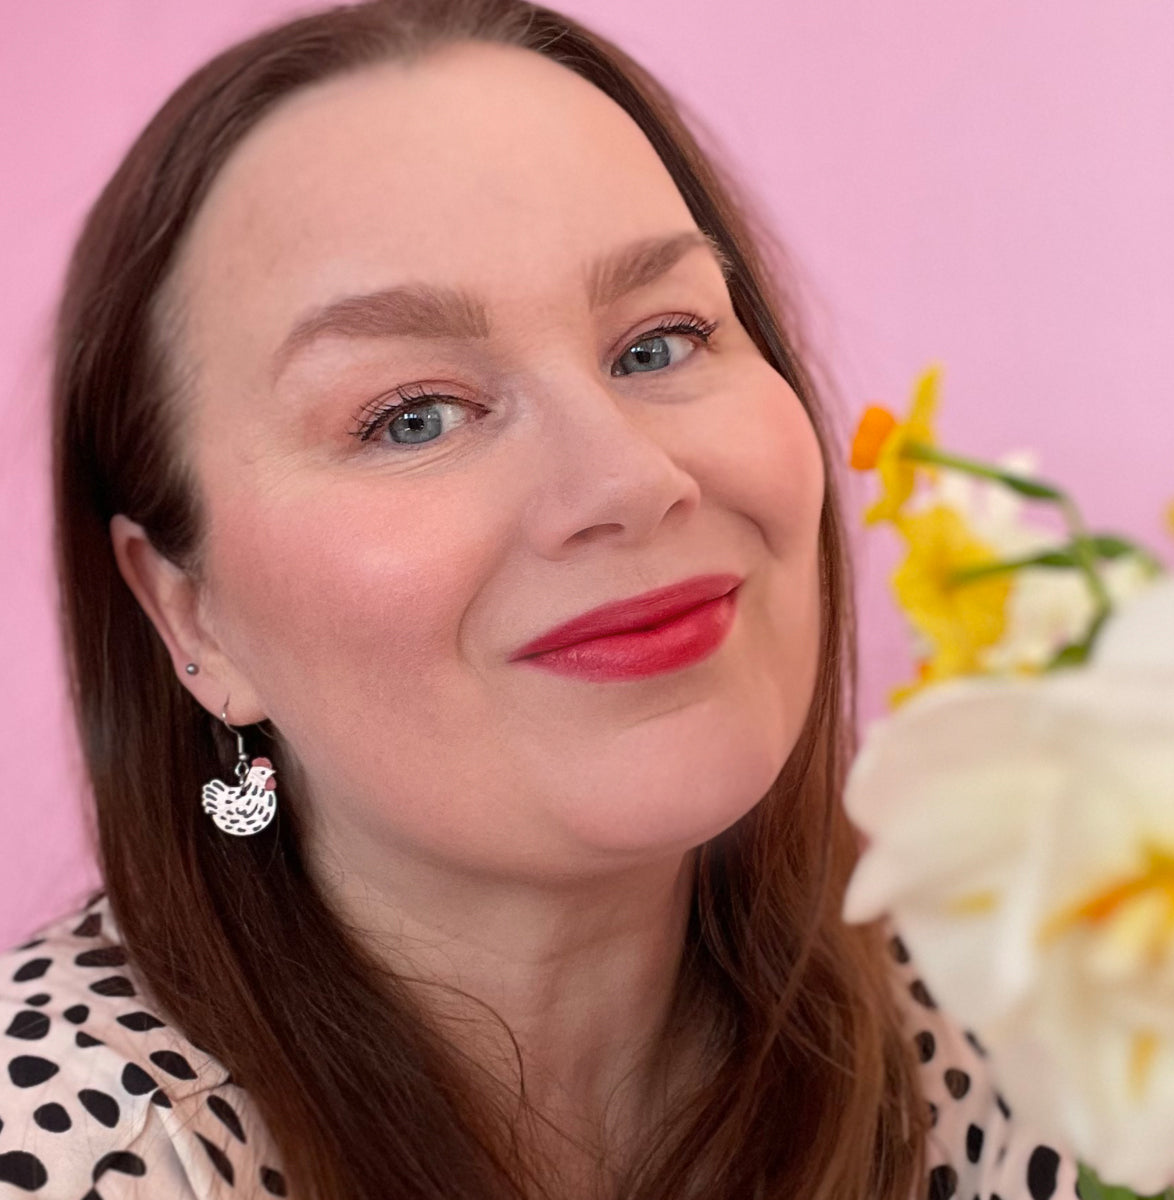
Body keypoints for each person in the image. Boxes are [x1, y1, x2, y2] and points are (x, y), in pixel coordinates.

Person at [0, 2, 1075, 1197]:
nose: (629, 480)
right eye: (412, 417)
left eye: (660, 342)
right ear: (189, 615)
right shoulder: (69, 1158)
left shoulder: (1045, 1025)